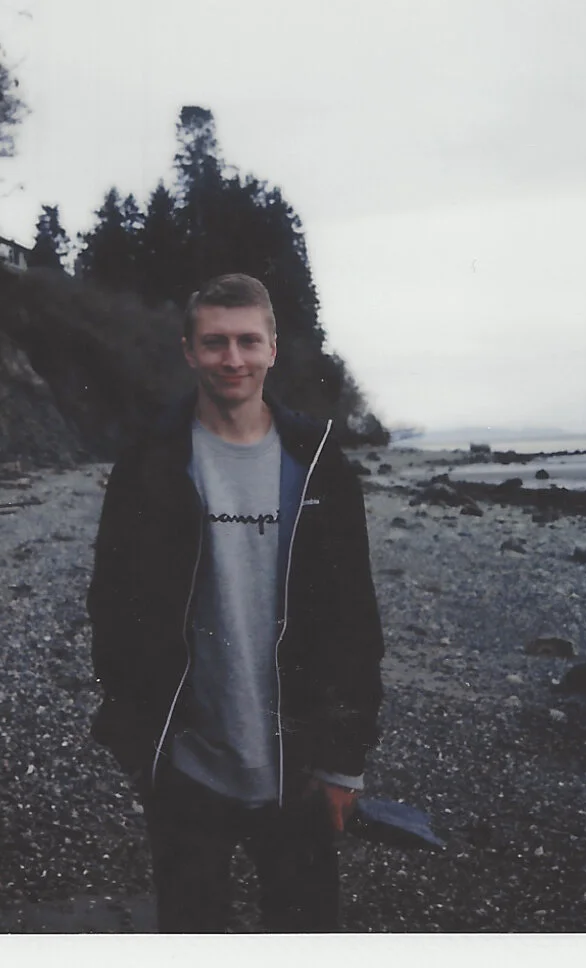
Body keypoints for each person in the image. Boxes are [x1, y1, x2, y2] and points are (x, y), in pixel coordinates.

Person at [86, 273, 385, 932]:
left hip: (298, 766)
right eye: (215, 342)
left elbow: (354, 620)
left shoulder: (317, 460)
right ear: (189, 350)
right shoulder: (151, 459)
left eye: (248, 341)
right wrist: (137, 736)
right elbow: (112, 602)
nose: (233, 358)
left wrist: (345, 759)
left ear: (273, 349)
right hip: (185, 766)